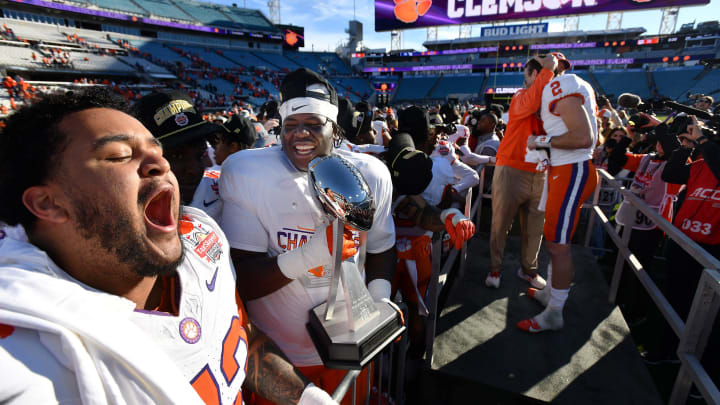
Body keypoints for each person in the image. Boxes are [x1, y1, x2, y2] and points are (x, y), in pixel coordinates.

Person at [0, 88, 335, 404]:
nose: (164, 165)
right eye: (119, 155)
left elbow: (239, 338)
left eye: (158, 152)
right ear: (48, 203)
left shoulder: (202, 237)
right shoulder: (28, 345)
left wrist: (309, 398)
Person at [218, 68, 397, 404]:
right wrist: (308, 256)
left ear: (336, 130)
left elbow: (382, 248)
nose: (300, 135)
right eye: (291, 126)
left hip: (350, 345)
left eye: (314, 125)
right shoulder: (248, 171)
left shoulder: (370, 174)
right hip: (278, 356)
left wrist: (380, 300)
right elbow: (243, 277)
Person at [520, 52, 600, 333]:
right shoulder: (567, 85)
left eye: (527, 76)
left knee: (558, 245)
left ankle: (555, 312)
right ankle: (551, 294)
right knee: (554, 239)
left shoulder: (560, 85)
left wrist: (538, 140)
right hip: (565, 169)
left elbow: (583, 138)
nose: (528, 83)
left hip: (571, 170)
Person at [485, 54, 558, 289]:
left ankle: (529, 269)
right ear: (538, 75)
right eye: (550, 72)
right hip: (512, 169)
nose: (554, 76)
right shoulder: (520, 96)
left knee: (535, 228)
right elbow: (532, 103)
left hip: (541, 172)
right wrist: (548, 72)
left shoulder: (555, 100)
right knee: (500, 223)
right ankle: (495, 269)